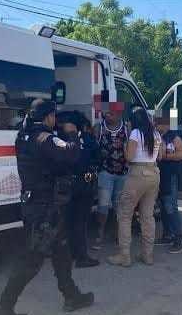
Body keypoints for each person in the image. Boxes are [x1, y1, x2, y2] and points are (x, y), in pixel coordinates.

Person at [0, 100, 94, 315]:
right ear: (48, 117)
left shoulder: (24, 135)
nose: (55, 121)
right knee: (32, 259)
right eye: (53, 117)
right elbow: (71, 154)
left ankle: (71, 295)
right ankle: (4, 309)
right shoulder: (44, 138)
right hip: (44, 207)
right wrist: (74, 135)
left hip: (36, 204)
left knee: (61, 249)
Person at [108, 107, 163, 267]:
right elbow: (160, 156)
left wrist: (125, 145)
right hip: (154, 174)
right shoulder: (156, 134)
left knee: (125, 214)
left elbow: (130, 157)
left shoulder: (135, 134)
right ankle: (148, 255)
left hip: (137, 174)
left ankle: (124, 255)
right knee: (147, 216)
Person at [59, 112, 101, 268]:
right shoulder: (89, 139)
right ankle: (81, 257)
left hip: (67, 185)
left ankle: (70, 254)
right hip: (83, 186)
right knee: (80, 222)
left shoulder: (60, 139)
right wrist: (88, 179)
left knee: (68, 221)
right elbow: (97, 162)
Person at [93, 108, 129, 250]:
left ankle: (117, 234)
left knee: (119, 206)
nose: (107, 115)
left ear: (119, 113)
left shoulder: (127, 127)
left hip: (123, 173)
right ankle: (99, 234)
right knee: (103, 205)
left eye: (110, 113)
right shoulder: (99, 128)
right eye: (105, 112)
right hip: (105, 172)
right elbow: (94, 147)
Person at [154, 116, 182, 254]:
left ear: (166, 124)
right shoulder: (159, 136)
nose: (155, 125)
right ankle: (167, 235)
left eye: (158, 123)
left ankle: (179, 239)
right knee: (163, 205)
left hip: (170, 175)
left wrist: (165, 157)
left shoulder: (173, 137)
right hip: (161, 175)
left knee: (170, 206)